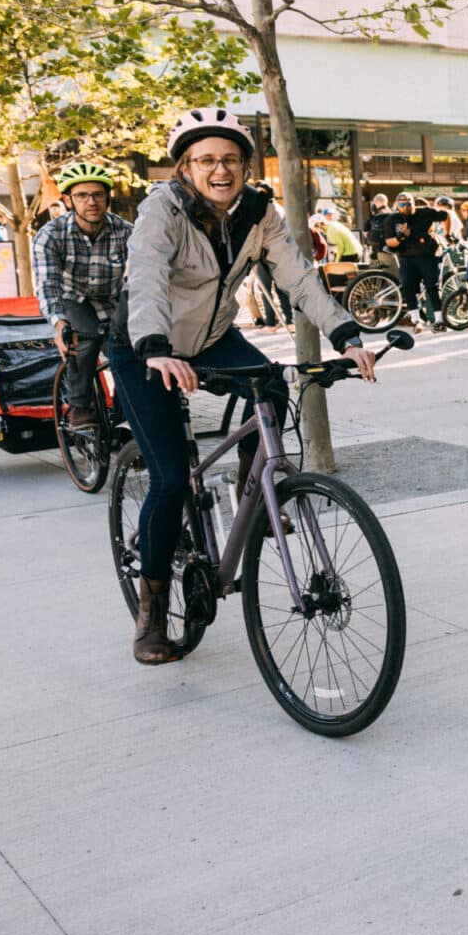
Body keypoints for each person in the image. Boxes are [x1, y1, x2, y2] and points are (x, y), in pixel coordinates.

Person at [108, 107, 375, 666]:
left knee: (273, 389)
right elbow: (149, 276)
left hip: (210, 338)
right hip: (146, 345)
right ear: (185, 167)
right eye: (206, 160)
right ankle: (153, 609)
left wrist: (346, 334)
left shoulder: (258, 211)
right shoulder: (163, 208)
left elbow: (298, 277)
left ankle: (255, 496)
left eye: (230, 159)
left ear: (245, 167)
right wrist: (156, 349)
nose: (220, 169)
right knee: (170, 479)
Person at [33, 162, 133, 431]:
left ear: (107, 198)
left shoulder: (126, 232)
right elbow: (47, 284)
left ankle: (126, 411)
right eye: (82, 195)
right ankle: (79, 405)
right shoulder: (50, 235)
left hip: (113, 299)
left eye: (98, 194)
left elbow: (139, 279)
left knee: (131, 349)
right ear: (68, 200)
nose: (92, 202)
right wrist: (58, 324)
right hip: (72, 298)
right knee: (83, 338)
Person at [379, 193, 449, 330]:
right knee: (408, 287)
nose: (406, 207)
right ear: (397, 205)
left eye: (409, 203)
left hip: (427, 256)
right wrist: (400, 237)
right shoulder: (392, 220)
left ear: (414, 203)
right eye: (402, 204)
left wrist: (446, 234)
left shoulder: (425, 213)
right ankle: (416, 321)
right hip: (406, 257)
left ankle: (439, 321)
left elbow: (445, 215)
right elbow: (389, 242)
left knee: (432, 287)